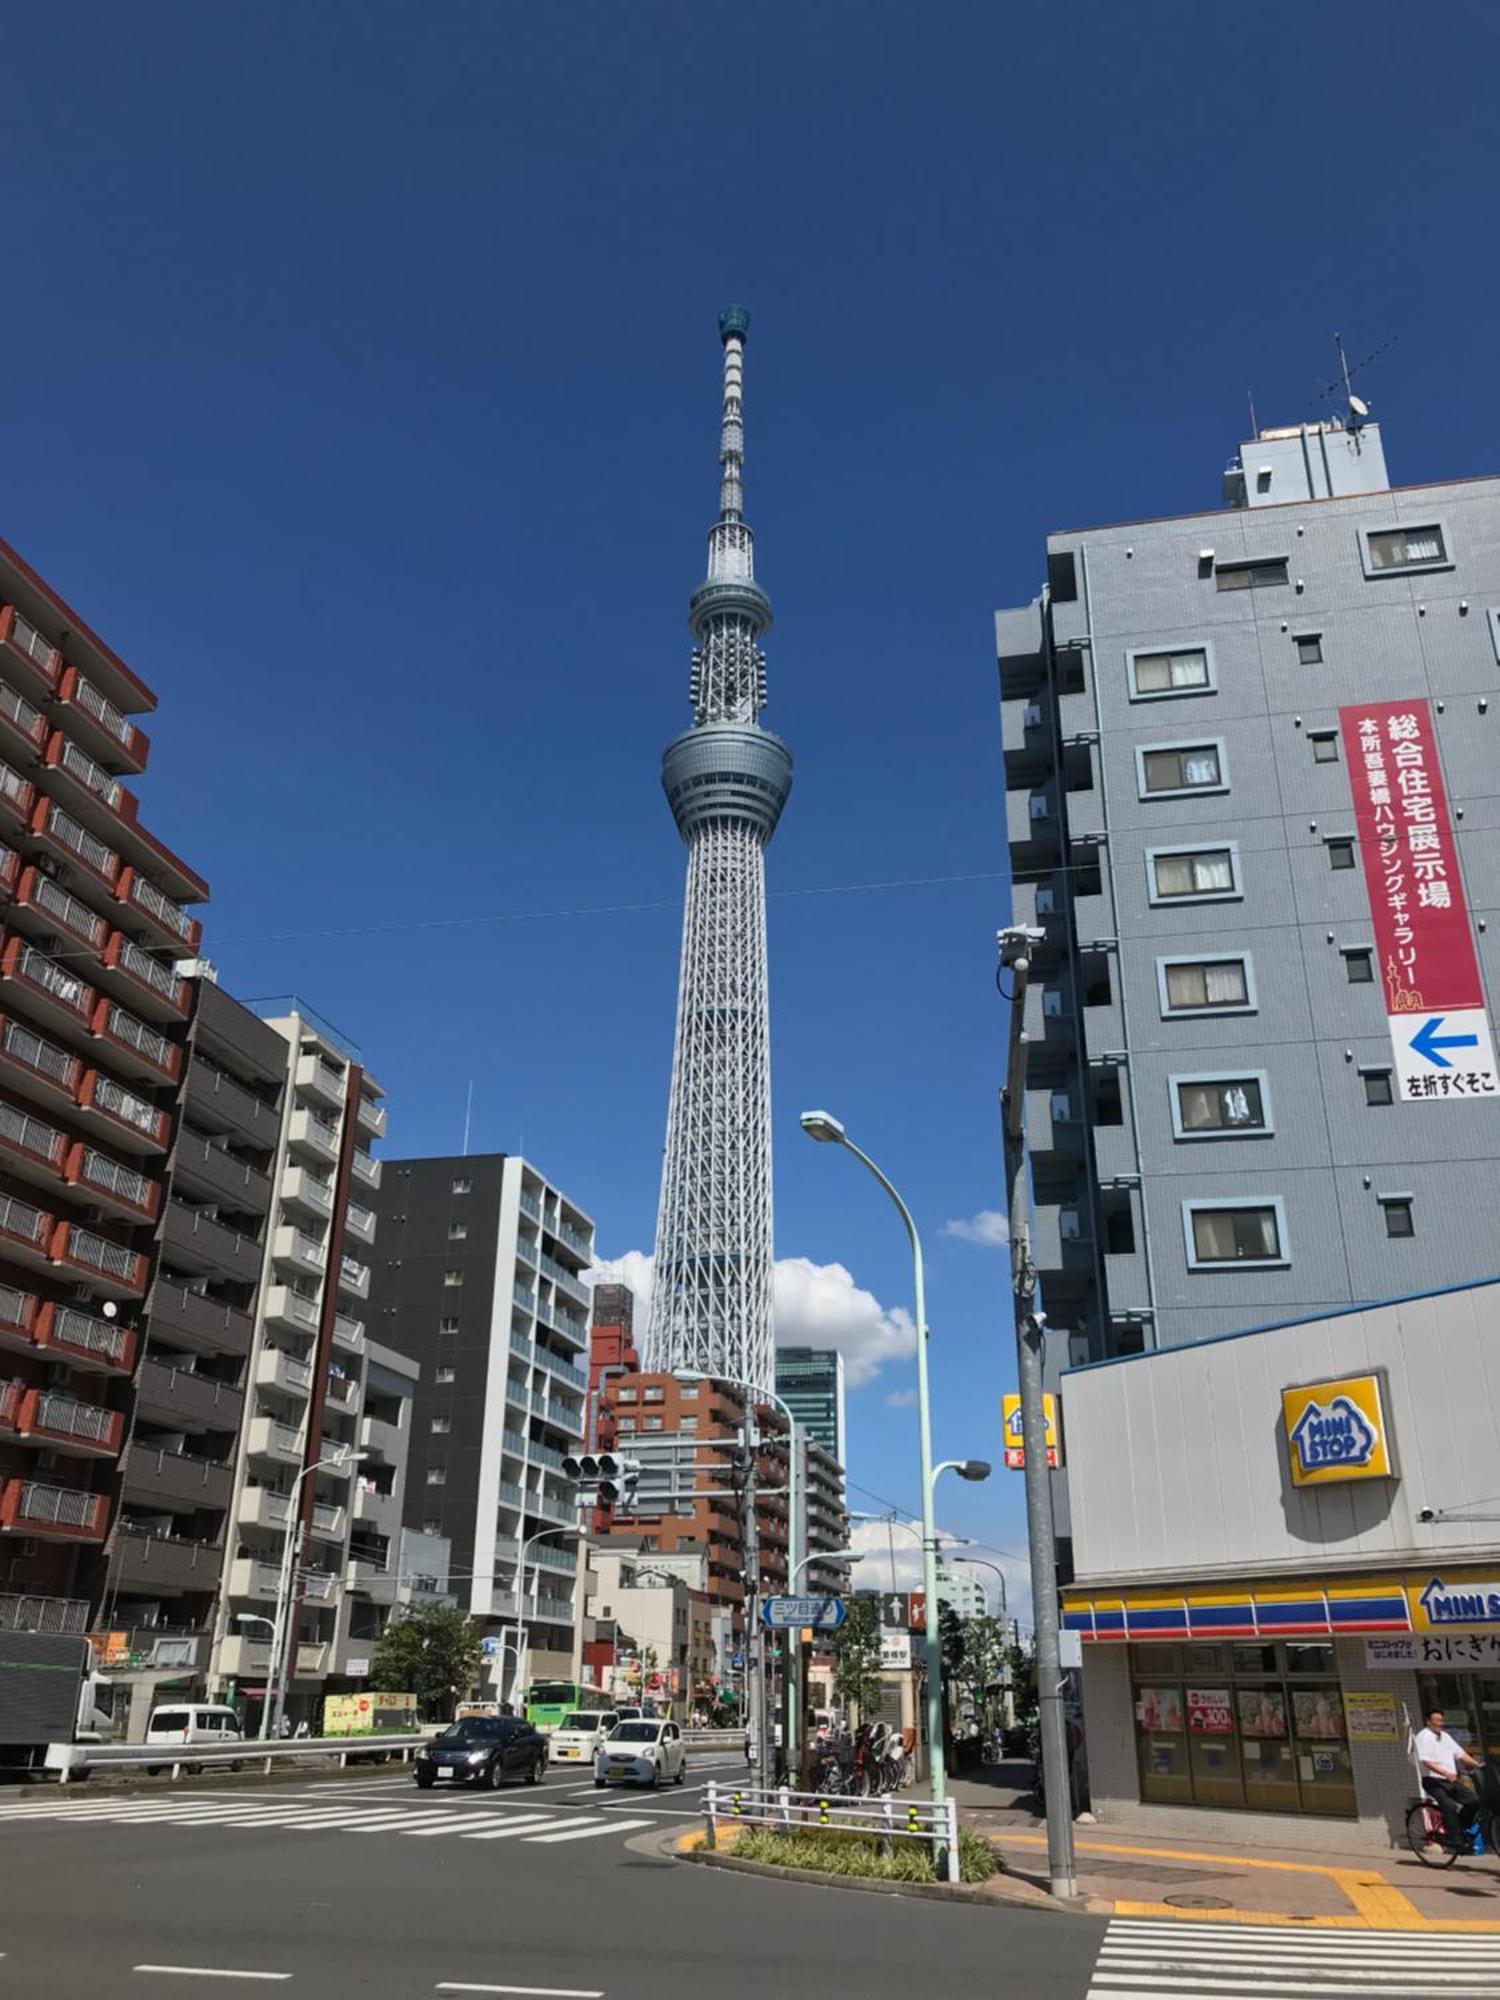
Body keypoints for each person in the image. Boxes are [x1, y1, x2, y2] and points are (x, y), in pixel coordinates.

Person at [1415, 1707, 1482, 1848]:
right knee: (1449, 1806)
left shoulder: (1445, 1736)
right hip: (1433, 1780)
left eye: (1442, 1720)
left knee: (1474, 1801)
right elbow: (1427, 1761)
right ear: (1428, 1722)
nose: (1440, 1723)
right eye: (1437, 1720)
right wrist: (1446, 1773)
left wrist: (1478, 1765)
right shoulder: (1423, 1737)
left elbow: (1461, 1754)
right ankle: (1454, 1838)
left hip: (1450, 1780)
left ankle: (1458, 1828)